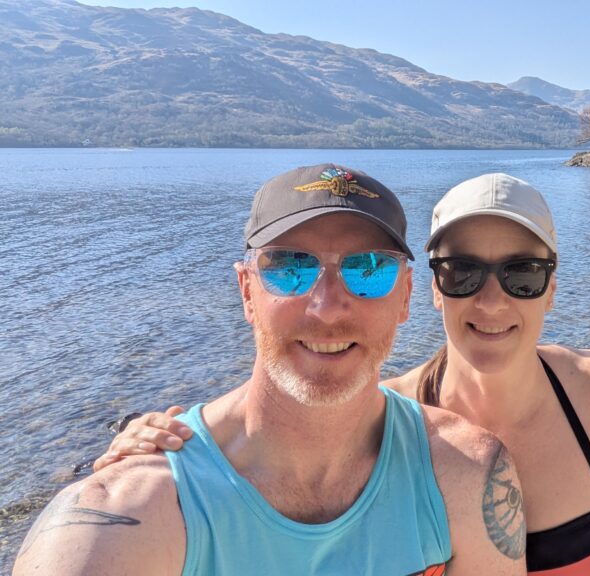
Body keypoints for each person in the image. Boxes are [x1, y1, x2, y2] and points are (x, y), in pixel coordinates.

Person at [95, 173, 590, 575]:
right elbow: (276, 424)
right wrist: (164, 445)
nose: (493, 302)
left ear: (550, 290)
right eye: (463, 273)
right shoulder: (383, 421)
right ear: (426, 291)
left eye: (522, 274)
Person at [14, 165, 526, 575]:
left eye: (369, 269)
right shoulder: (123, 519)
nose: (327, 307)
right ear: (246, 292)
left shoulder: (465, 473)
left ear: (406, 295)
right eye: (289, 267)